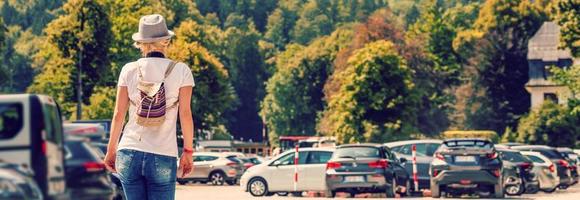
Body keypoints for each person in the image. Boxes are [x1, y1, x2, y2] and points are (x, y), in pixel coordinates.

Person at [103, 14, 194, 200]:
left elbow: (119, 114)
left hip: (129, 151)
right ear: (165, 41)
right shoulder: (181, 70)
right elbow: (185, 114)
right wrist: (188, 151)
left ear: (141, 43)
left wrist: (111, 150)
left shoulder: (129, 69)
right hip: (162, 154)